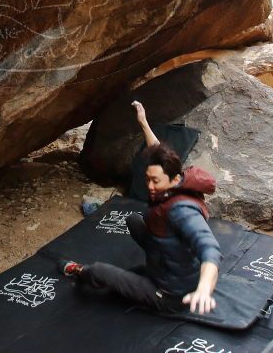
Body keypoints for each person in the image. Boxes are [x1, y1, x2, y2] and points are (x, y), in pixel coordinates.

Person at [59, 101, 222, 315]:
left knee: (100, 271)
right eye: (148, 179)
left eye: (155, 181)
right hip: (172, 262)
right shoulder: (178, 177)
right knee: (134, 220)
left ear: (172, 180)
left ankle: (78, 271)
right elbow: (157, 151)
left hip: (171, 294)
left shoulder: (181, 210)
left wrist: (203, 289)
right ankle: (155, 264)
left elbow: (209, 247)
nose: (150, 186)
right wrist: (143, 122)